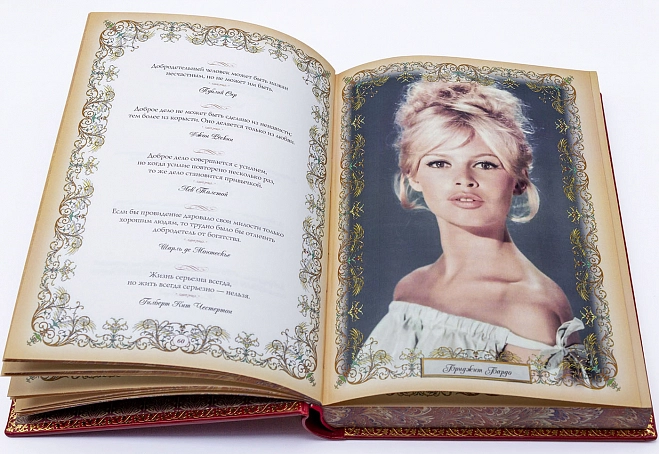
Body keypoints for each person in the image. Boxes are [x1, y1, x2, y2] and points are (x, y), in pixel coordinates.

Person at [364, 80, 584, 371]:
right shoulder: (410, 288)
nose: (464, 180)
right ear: (412, 176)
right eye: (439, 163)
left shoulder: (529, 310)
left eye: (485, 164)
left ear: (519, 179)